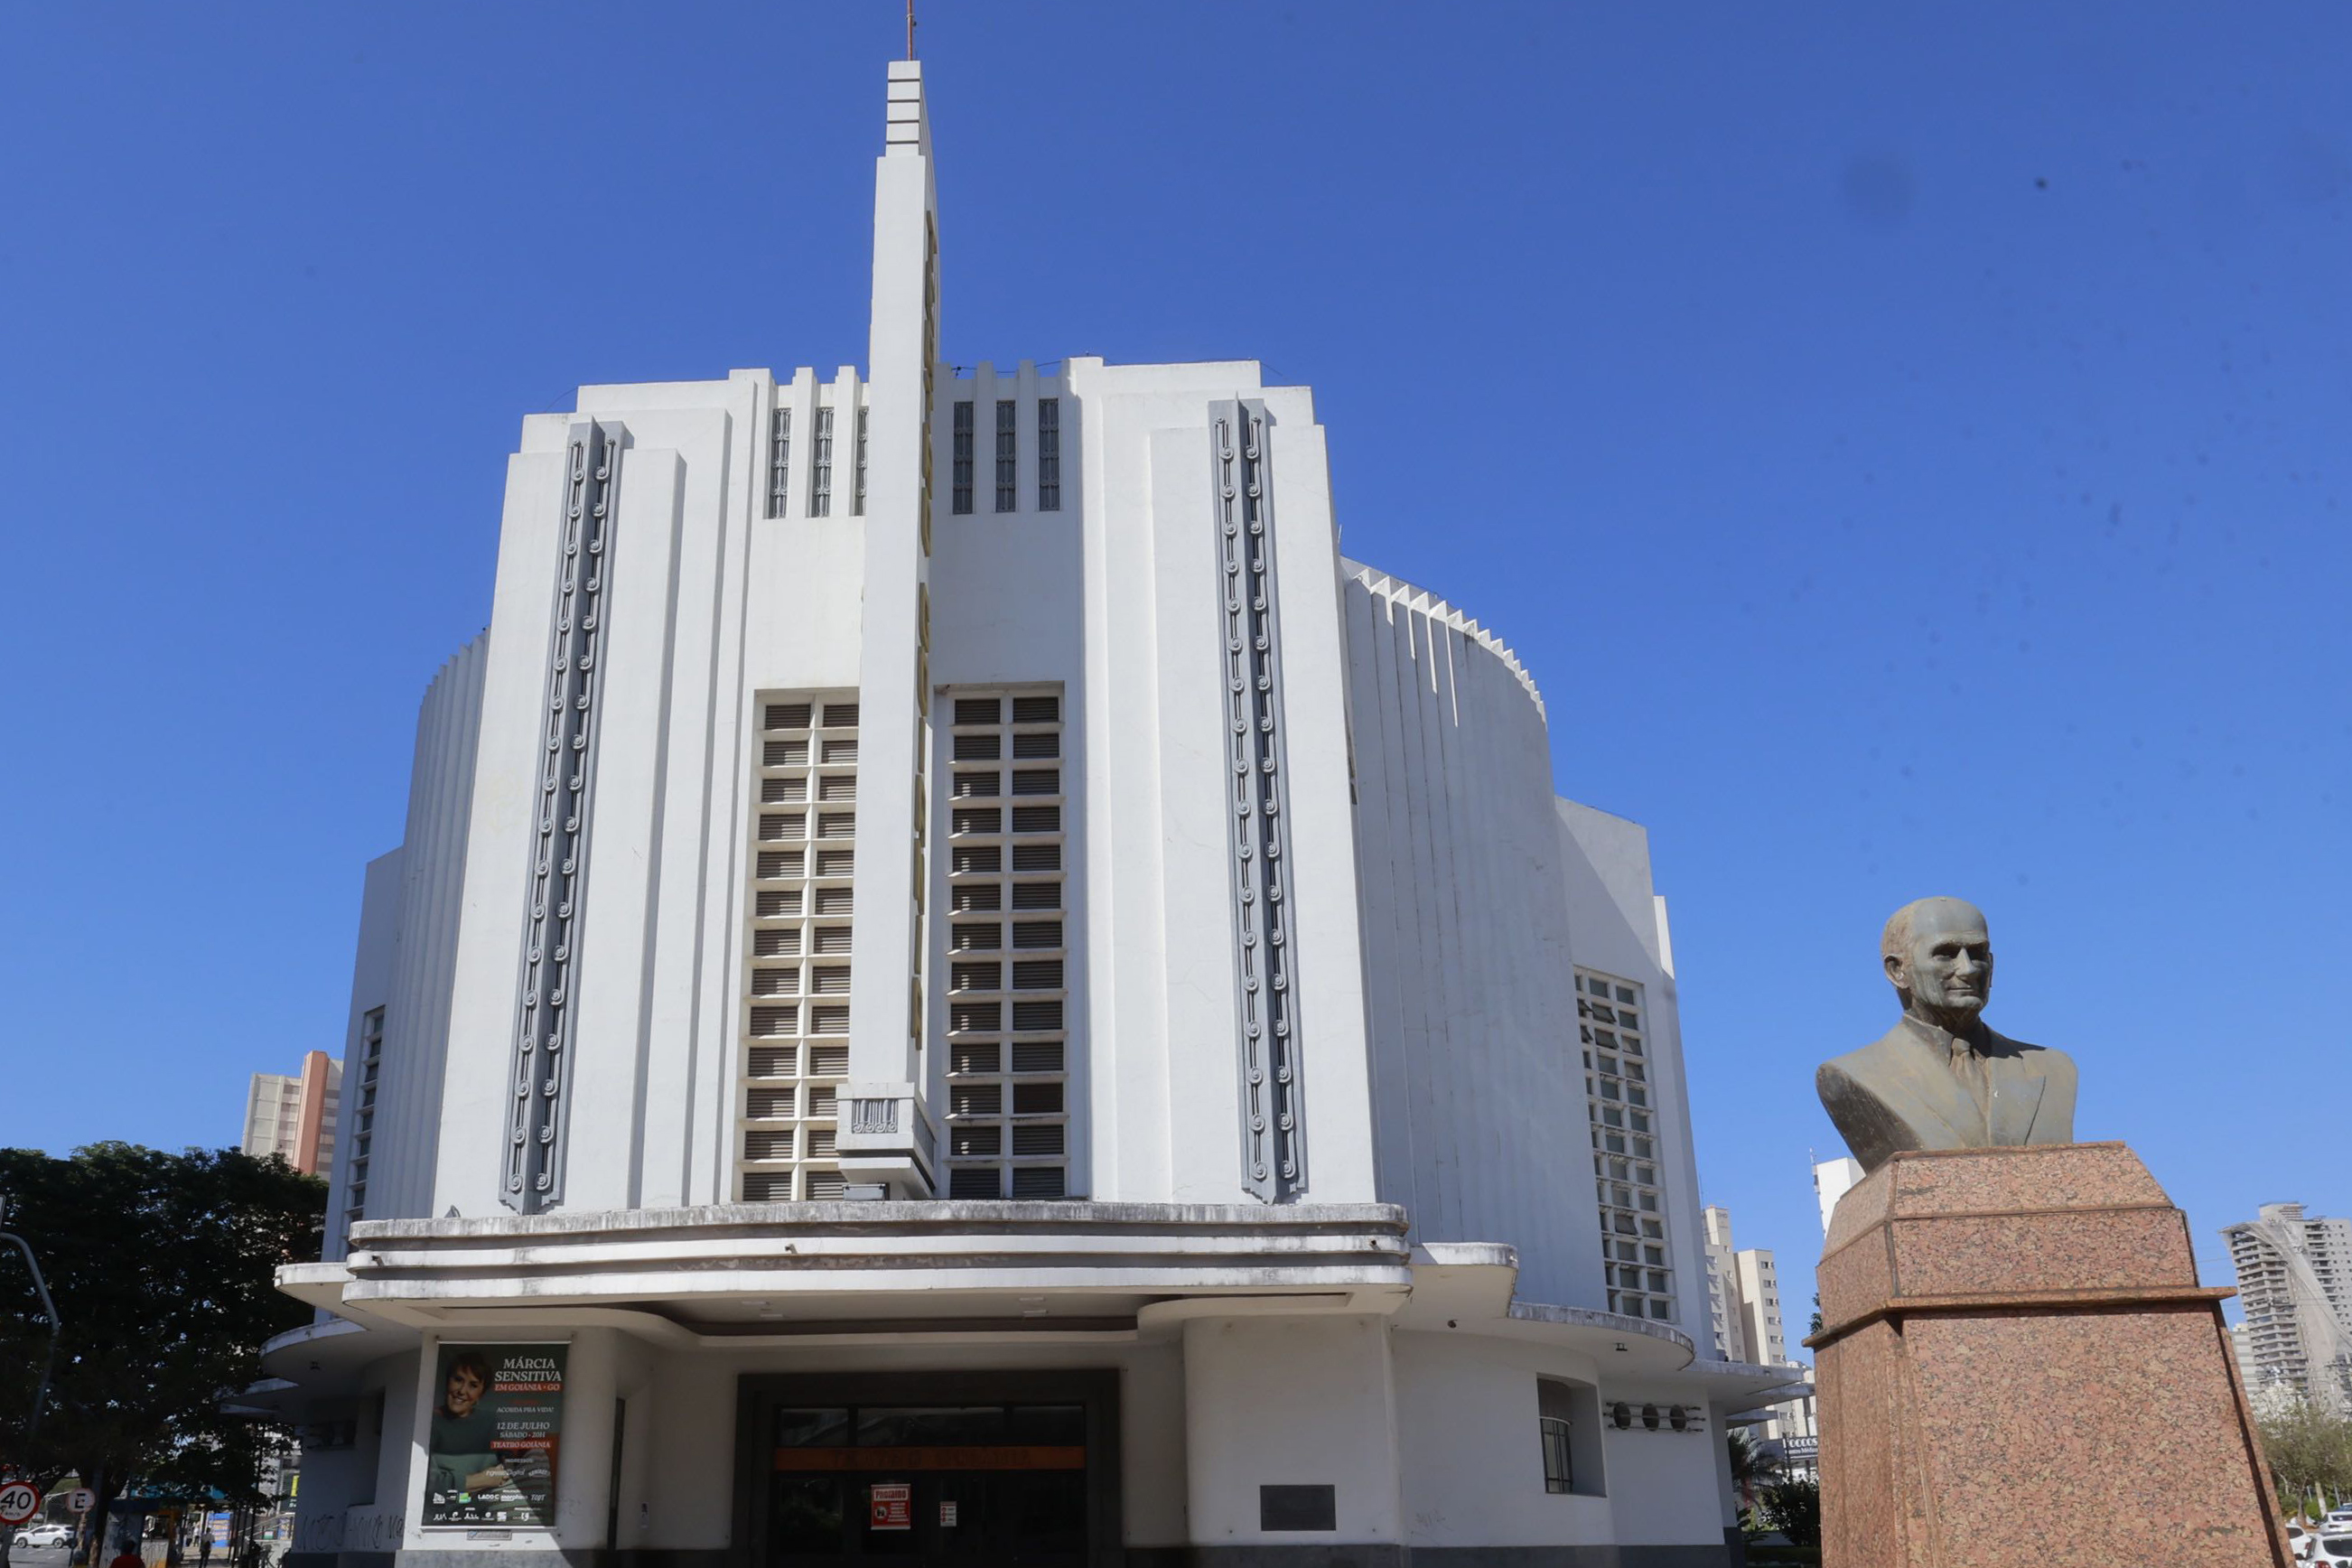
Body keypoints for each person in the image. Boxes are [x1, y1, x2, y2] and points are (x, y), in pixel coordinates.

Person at [1815, 896, 2078, 1172]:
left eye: (1977, 954)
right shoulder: (1853, 1075)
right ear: (1897, 971)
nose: (1968, 969)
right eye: (1946, 954)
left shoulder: (2053, 1068)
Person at [425, 1351, 509, 1498]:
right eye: (458, 1380)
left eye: (473, 1385)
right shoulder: (429, 1422)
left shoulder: (491, 1422)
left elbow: (507, 1469)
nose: (462, 1391)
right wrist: (483, 1480)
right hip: (440, 1508)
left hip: (481, 1507)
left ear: (480, 1394)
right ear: (447, 1381)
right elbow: (429, 1485)